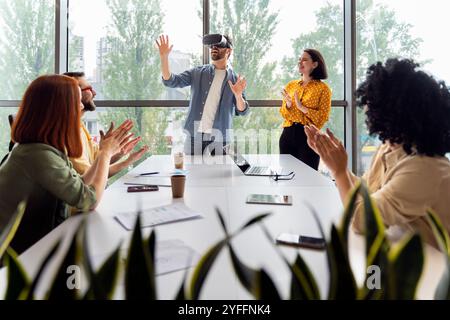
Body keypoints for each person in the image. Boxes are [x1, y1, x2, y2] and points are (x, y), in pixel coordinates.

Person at [305, 58, 450, 245]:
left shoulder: (425, 167)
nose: (367, 110)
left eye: (371, 104)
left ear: (393, 111)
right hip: (404, 253)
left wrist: (340, 172)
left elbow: (362, 220)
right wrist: (335, 162)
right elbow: (367, 192)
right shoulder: (389, 147)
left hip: (435, 266)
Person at [0, 75, 132, 254]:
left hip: (36, 245)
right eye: (77, 101)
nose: (81, 106)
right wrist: (105, 154)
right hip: (19, 259)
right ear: (61, 109)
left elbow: (80, 184)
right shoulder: (37, 155)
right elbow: (88, 201)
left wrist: (103, 154)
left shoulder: (45, 148)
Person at [156, 34, 249, 155]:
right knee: (192, 173)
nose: (214, 48)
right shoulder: (198, 72)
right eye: (212, 46)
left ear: (228, 51)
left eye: (219, 45)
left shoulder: (236, 80)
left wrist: (238, 95)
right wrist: (164, 57)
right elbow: (171, 81)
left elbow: (243, 111)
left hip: (220, 139)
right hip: (194, 138)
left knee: (219, 174)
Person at [63, 72, 149, 176]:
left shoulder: (79, 124)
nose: (94, 93)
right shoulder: (67, 131)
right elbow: (90, 175)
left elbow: (96, 159)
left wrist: (118, 151)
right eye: (89, 89)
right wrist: (126, 162)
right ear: (74, 94)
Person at [279, 49, 331, 170]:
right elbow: (283, 113)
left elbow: (322, 118)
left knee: (308, 179)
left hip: (309, 136)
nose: (300, 62)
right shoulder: (291, 85)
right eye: (299, 60)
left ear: (315, 64)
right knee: (286, 176)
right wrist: (288, 105)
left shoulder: (323, 89)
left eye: (305, 60)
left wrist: (302, 108)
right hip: (287, 134)